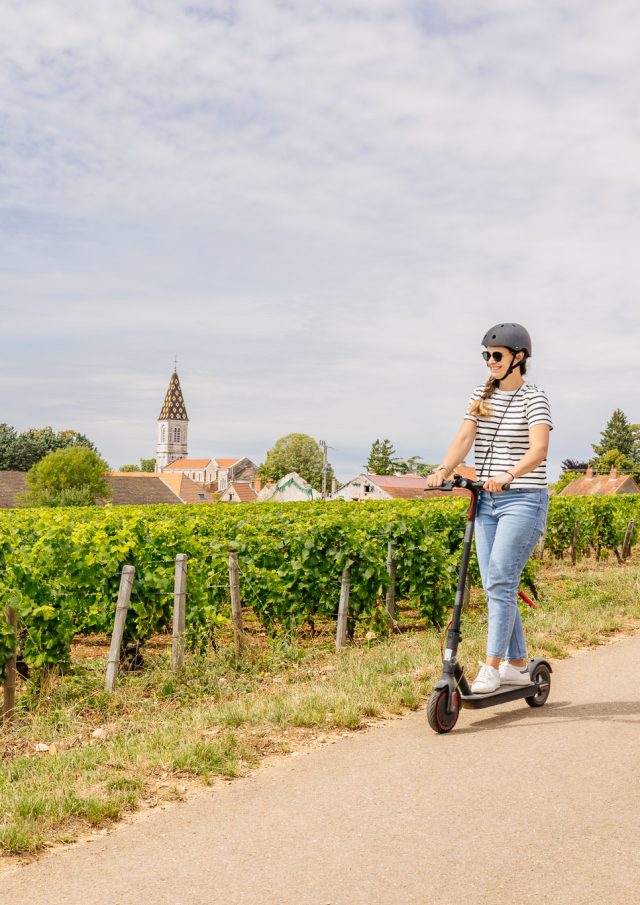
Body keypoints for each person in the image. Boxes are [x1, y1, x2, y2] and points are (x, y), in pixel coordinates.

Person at [426, 323, 552, 694]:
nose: (490, 361)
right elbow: (464, 437)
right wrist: (443, 470)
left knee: (499, 579)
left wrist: (508, 474)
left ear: (519, 357)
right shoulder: (480, 395)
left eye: (496, 355)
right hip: (486, 501)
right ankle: (517, 664)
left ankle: (493, 665)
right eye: (486, 355)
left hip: (523, 499)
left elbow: (539, 450)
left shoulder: (535, 398)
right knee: (496, 583)